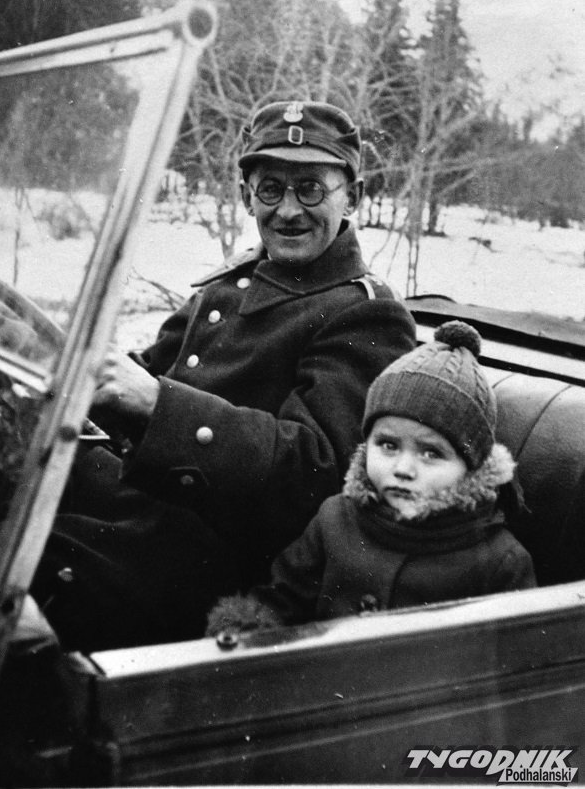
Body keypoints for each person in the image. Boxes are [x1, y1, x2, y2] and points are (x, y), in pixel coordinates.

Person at [31, 100, 416, 650]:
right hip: (126, 514)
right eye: (270, 189)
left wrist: (158, 405)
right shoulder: (230, 285)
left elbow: (317, 474)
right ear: (245, 196)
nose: (288, 210)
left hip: (204, 571)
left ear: (352, 197)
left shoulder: (366, 314)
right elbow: (144, 374)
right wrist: (50, 362)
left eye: (311, 189)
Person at [206, 320, 537, 636]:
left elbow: (515, 657)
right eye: (388, 445)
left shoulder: (499, 561)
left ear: (472, 466)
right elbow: (282, 599)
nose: (403, 468)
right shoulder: (335, 519)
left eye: (431, 453)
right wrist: (247, 634)